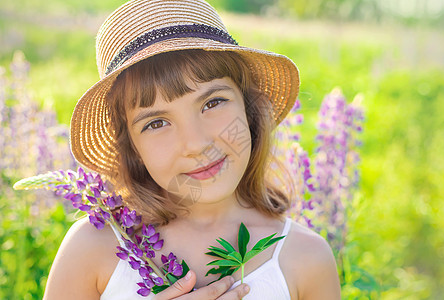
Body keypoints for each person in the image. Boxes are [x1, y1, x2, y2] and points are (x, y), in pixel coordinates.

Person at [43, 0, 341, 299]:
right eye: (156, 123)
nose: (196, 143)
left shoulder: (304, 259)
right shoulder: (93, 248)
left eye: (213, 103)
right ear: (132, 148)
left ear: (249, 110)